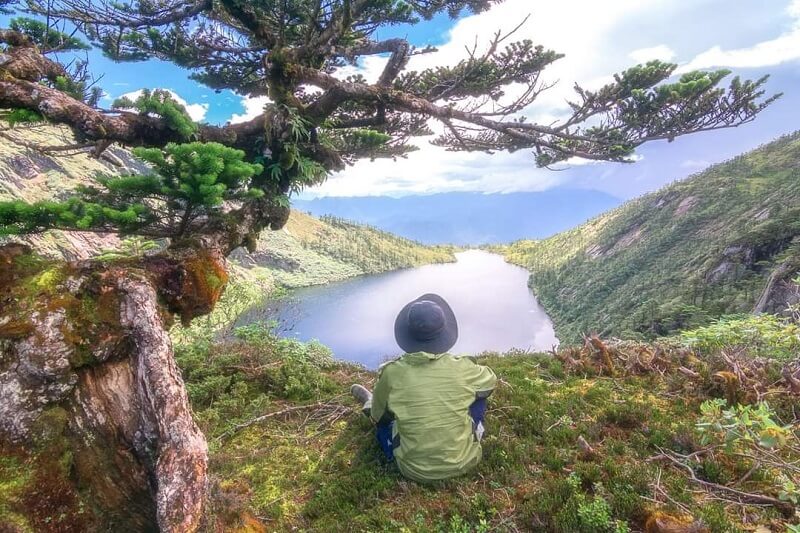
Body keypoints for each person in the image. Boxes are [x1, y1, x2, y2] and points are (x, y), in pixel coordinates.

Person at [350, 293, 497, 483]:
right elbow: (490, 381)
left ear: (408, 333)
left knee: (384, 422)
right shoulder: (464, 368)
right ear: (444, 331)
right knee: (479, 394)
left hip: (412, 469)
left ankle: (369, 401)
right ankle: (464, 432)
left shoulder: (392, 373)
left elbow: (379, 418)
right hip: (467, 460)